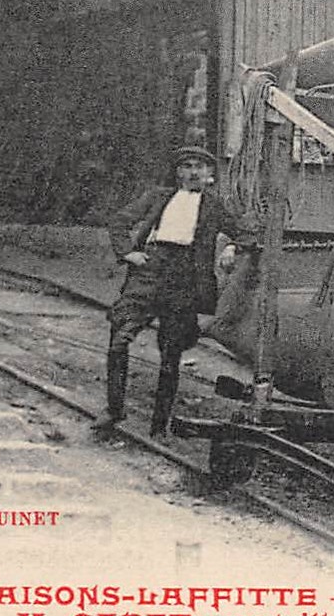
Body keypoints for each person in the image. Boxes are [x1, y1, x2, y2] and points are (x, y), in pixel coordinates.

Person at [98, 146, 258, 435]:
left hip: (186, 277)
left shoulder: (214, 205)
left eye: (201, 166)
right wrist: (128, 253)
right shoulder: (158, 196)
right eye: (188, 166)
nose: (194, 172)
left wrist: (233, 246)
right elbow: (120, 221)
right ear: (179, 172)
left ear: (210, 174)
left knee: (171, 355)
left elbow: (247, 233)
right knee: (119, 338)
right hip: (149, 270)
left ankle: (159, 426)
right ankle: (113, 410)